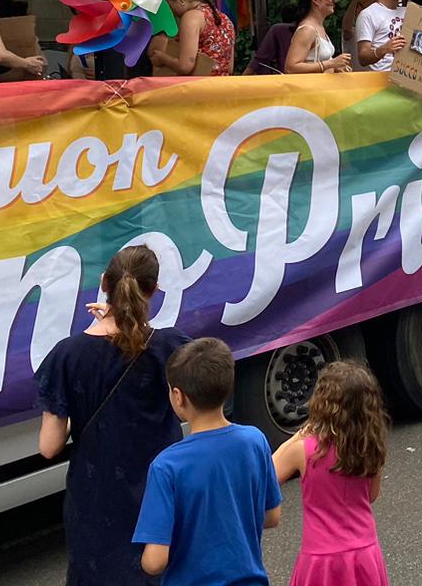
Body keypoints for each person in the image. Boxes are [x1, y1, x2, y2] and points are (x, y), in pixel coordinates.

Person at [35, 247, 191, 586]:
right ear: (153, 290)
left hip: (96, 498)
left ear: (104, 283)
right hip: (160, 489)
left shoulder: (66, 355)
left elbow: (49, 446)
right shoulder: (171, 346)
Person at [134, 338, 282, 583]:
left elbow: (155, 561)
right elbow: (272, 515)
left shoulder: (166, 466)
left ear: (178, 396)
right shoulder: (254, 441)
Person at [271, 361, 391, 586]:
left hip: (320, 557)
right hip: (364, 552)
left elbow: (269, 472)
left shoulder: (305, 449)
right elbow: (371, 495)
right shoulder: (372, 444)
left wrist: (299, 435)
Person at [148, 0, 236, 76]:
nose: (171, 12)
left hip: (199, 87)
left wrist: (162, 58)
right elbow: (230, 67)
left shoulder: (191, 17)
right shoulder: (225, 19)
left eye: (169, 6)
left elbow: (184, 66)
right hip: (223, 86)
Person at [285, 0, 354, 74]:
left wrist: (336, 68)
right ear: (315, 0)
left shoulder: (319, 27)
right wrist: (331, 64)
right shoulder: (307, 30)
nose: (334, 0)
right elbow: (291, 68)